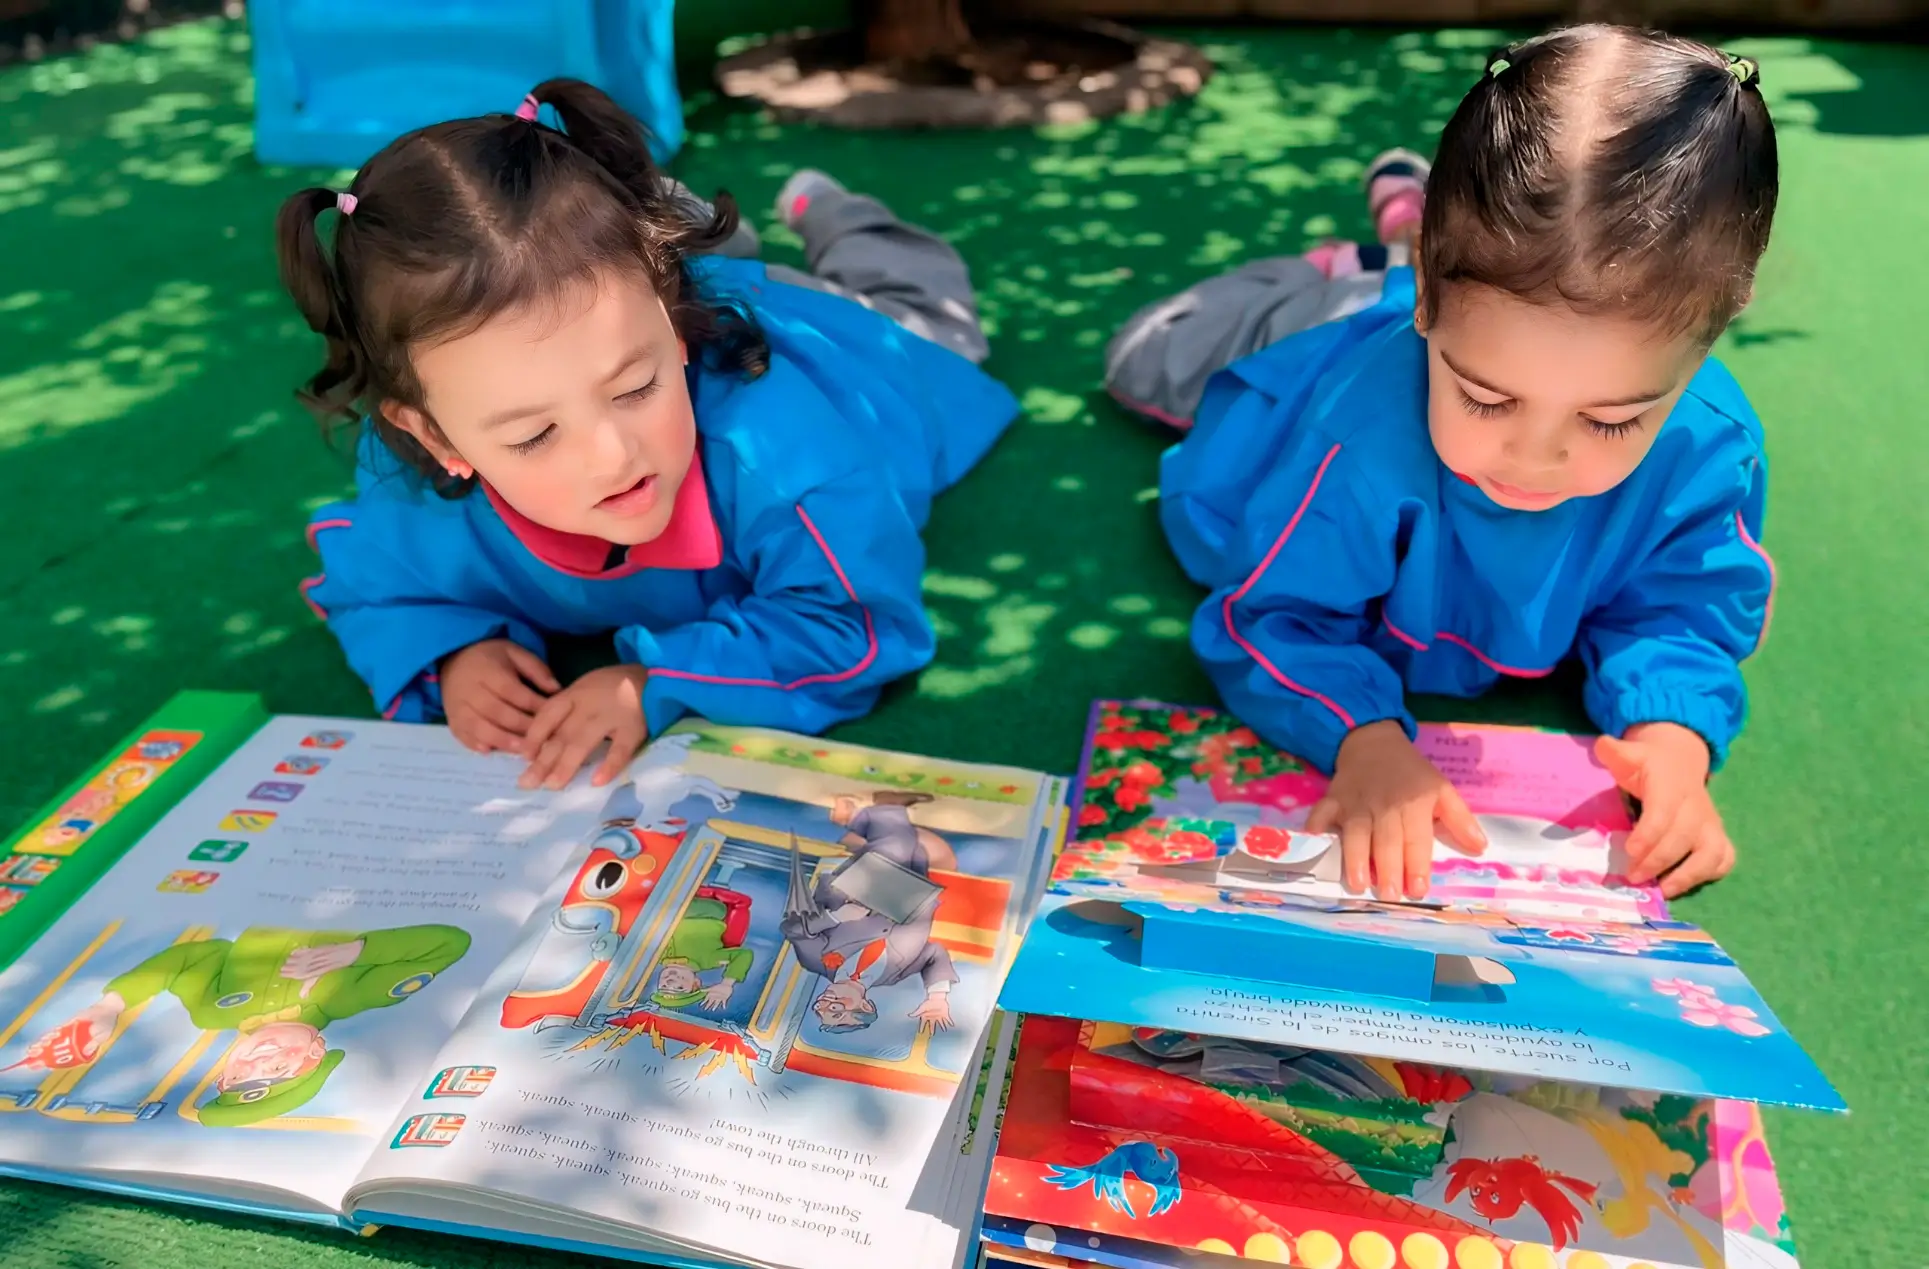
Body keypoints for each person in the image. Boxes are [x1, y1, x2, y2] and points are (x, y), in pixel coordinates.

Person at [1109, 26, 1778, 902]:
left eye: (1612, 419)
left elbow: (1681, 614)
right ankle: (1371, 260)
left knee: (1462, 302)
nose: (1534, 458)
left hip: (1441, 289)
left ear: (1708, 339)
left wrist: (1673, 737)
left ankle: (1406, 231)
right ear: (1436, 300)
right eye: (1487, 399)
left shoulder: (1710, 441)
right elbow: (1268, 617)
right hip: (1325, 340)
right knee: (1141, 363)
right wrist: (1364, 736)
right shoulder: (1355, 437)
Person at [277, 80, 1017, 791]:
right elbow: (361, 581)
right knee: (705, 266)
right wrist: (453, 651)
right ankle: (704, 238)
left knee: (922, 318)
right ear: (436, 438)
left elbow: (850, 626)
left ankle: (834, 213)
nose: (613, 454)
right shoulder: (415, 493)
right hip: (674, 289)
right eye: (535, 434)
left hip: (841, 356)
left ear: (671, 322)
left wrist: (656, 680)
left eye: (635, 388)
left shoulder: (788, 464)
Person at [9, 924, 471, 1127]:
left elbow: (190, 956)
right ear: (313, 1054)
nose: (263, 1058)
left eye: (243, 1075)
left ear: (225, 1070)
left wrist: (107, 1007)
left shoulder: (211, 1010)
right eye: (279, 1071)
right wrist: (360, 950)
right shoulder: (355, 995)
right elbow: (449, 943)